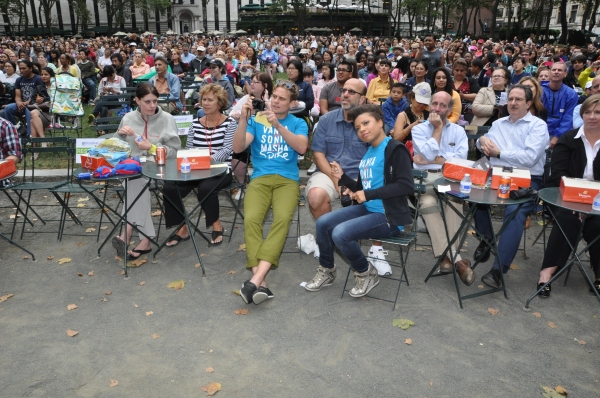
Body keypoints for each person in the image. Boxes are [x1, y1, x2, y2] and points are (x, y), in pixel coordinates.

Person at [303, 103, 413, 297]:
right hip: (370, 209)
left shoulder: (395, 149)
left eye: (366, 123)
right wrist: (343, 177)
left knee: (341, 233)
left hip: (389, 215)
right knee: (323, 223)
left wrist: (368, 195)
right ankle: (327, 270)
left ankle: (365, 272)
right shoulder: (368, 153)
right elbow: (362, 189)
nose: (362, 129)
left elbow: (405, 186)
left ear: (380, 122)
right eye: (358, 127)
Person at [233, 80, 309, 305]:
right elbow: (238, 148)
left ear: (292, 102)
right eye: (274, 96)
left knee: (282, 219)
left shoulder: (298, 123)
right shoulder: (257, 120)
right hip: (261, 178)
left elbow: (302, 148)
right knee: (252, 220)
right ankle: (259, 282)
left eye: (282, 98)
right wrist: (244, 119)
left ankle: (255, 279)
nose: (276, 101)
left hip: (287, 180)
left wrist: (278, 125)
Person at [475, 85, 549, 288]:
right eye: (510, 99)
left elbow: (529, 158)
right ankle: (487, 238)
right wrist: (482, 141)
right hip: (496, 173)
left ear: (528, 103)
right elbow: (484, 147)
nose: (513, 103)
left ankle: (498, 270)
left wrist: (499, 153)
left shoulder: (538, 126)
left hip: (526, 179)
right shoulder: (499, 123)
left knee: (514, 212)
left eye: (518, 100)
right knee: (472, 194)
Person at [536, 95, 600, 298]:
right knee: (568, 218)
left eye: (598, 112)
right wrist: (577, 201)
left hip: (598, 203)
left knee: (597, 224)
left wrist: (590, 204)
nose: (592, 117)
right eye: (588, 112)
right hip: (565, 198)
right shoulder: (568, 139)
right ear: (582, 115)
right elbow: (557, 176)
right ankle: (546, 272)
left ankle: (599, 276)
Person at [111, 83, 181, 260]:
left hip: (161, 169)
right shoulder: (127, 118)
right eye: (147, 101)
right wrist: (120, 135)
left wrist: (151, 148)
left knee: (135, 182)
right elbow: (115, 147)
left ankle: (126, 234)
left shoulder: (167, 119)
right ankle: (145, 239)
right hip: (132, 169)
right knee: (135, 181)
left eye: (155, 101)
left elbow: (174, 152)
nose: (152, 106)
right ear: (137, 100)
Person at [411, 91, 473, 285]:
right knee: (428, 203)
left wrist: (433, 159)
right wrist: (437, 131)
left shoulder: (458, 131)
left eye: (442, 105)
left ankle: (447, 258)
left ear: (449, 109)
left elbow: (460, 160)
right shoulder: (419, 129)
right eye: (435, 104)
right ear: (429, 105)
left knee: (454, 201)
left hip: (448, 180)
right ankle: (456, 259)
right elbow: (428, 153)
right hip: (426, 181)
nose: (437, 108)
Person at [163, 84, 235, 247]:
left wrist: (205, 160)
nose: (206, 103)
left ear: (220, 102)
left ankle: (216, 225)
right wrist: (194, 161)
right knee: (169, 187)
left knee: (206, 189)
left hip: (220, 169)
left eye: (211, 100)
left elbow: (226, 149)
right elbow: (188, 149)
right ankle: (182, 228)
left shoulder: (230, 123)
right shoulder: (195, 124)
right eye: (204, 99)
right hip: (195, 169)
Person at [541, 62, 579, 148]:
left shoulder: (571, 94)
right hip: (539, 131)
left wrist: (557, 136)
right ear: (549, 72)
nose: (556, 72)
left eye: (560, 70)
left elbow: (568, 117)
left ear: (565, 74)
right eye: (554, 70)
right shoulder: (540, 91)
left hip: (561, 134)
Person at [2, 60, 42, 137]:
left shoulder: (38, 79)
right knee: (8, 108)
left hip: (34, 104)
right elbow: (17, 96)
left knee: (29, 109)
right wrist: (19, 103)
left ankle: (29, 135)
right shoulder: (19, 80)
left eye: (24, 68)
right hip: (21, 104)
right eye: (20, 69)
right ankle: (13, 132)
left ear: (30, 68)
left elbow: (38, 95)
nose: (22, 70)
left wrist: (26, 103)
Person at [29, 67, 54, 143]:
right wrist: (37, 101)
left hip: (54, 113)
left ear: (51, 76)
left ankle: (35, 149)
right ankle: (43, 140)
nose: (43, 76)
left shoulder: (57, 87)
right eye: (42, 74)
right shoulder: (39, 88)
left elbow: (58, 100)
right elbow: (31, 102)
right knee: (33, 113)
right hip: (42, 112)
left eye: (46, 74)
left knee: (32, 121)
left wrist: (44, 99)